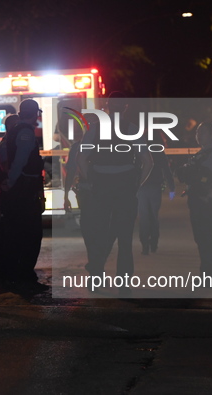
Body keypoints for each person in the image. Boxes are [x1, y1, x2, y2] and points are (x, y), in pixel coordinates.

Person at [78, 93, 153, 295]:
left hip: (100, 188)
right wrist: (136, 185)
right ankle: (124, 283)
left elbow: (82, 159)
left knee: (100, 234)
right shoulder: (132, 130)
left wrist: (91, 182)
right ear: (126, 107)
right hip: (125, 189)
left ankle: (96, 277)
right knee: (125, 238)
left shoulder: (95, 129)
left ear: (107, 106)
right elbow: (147, 161)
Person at [0, 100, 48, 294]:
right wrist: (11, 183)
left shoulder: (15, 130)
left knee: (17, 235)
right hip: (23, 191)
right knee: (31, 235)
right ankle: (24, 277)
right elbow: (20, 162)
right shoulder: (26, 132)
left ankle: (15, 276)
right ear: (34, 113)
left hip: (18, 190)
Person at [177, 121, 212, 278]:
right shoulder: (201, 153)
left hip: (207, 201)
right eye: (198, 132)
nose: (199, 135)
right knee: (200, 237)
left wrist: (208, 197)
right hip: (197, 199)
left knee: (205, 238)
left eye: (203, 132)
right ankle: (205, 273)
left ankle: (208, 275)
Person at [137, 132, 175, 255]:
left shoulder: (139, 152)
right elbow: (167, 170)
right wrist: (172, 188)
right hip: (155, 187)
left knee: (143, 217)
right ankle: (154, 242)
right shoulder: (159, 152)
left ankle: (145, 245)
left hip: (141, 188)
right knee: (153, 216)